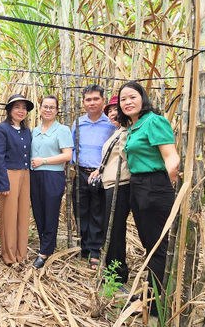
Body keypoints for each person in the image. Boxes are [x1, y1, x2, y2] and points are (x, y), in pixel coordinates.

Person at [116, 81, 180, 316]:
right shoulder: (134, 126)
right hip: (138, 185)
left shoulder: (154, 121)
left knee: (157, 246)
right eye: (123, 99)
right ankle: (150, 292)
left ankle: (153, 303)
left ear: (143, 98)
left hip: (155, 186)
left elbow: (170, 155)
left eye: (132, 97)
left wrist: (174, 175)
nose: (127, 102)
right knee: (148, 243)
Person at [88, 95, 133, 283]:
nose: (113, 114)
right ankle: (114, 267)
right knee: (111, 228)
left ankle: (117, 273)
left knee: (114, 229)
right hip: (109, 185)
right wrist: (100, 169)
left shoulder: (129, 131)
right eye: (111, 111)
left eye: (116, 109)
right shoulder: (118, 131)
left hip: (120, 185)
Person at [71, 85, 116, 270]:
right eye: (88, 100)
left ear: (103, 101)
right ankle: (84, 246)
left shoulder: (111, 124)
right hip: (81, 171)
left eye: (96, 99)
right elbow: (71, 145)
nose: (92, 103)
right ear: (83, 102)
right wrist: (74, 162)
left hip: (101, 174)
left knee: (98, 211)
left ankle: (95, 250)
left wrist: (103, 169)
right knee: (80, 209)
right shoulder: (79, 122)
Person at [29, 95, 73, 269]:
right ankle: (44, 244)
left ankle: (45, 252)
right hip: (35, 176)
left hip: (53, 176)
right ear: (39, 109)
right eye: (45, 107)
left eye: (51, 107)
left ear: (56, 111)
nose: (48, 110)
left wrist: (44, 161)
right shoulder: (34, 131)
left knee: (50, 212)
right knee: (38, 212)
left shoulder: (62, 130)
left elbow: (67, 155)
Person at [0, 94, 34, 266]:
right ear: (9, 110)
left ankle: (21, 254)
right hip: (9, 174)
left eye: (24, 108)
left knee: (23, 215)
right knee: (9, 216)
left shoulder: (27, 131)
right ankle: (9, 256)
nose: (21, 111)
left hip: (25, 174)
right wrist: (3, 182)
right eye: (17, 107)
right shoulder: (2, 129)